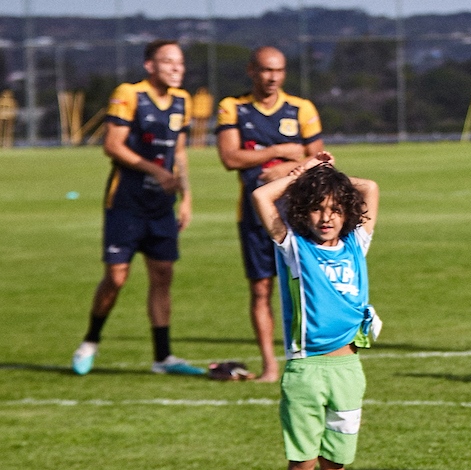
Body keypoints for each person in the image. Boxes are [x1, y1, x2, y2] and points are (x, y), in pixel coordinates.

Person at [251, 152, 383, 470]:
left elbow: (371, 189)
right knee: (303, 460)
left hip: (348, 371)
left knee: (335, 460)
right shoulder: (294, 247)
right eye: (317, 209)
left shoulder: (356, 244)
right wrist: (305, 173)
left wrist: (332, 179)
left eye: (335, 210)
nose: (326, 218)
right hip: (306, 370)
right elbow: (261, 196)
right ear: (302, 211)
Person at [71, 39, 204, 376]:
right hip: (126, 203)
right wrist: (155, 170)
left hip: (161, 207)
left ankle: (163, 357)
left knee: (163, 276)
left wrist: (186, 196)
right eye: (169, 62)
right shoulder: (129, 94)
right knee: (116, 278)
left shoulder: (182, 101)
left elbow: (180, 152)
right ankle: (90, 340)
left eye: (181, 63)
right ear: (150, 65)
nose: (177, 68)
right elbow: (112, 146)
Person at [216, 46, 324, 383]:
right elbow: (230, 158)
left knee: (309, 288)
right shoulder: (233, 108)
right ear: (251, 70)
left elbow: (321, 160)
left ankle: (311, 361)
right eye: (265, 70)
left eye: (278, 70)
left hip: (299, 214)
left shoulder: (301, 109)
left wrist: (286, 171)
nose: (272, 77)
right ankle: (270, 367)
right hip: (253, 215)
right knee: (261, 289)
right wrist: (278, 152)